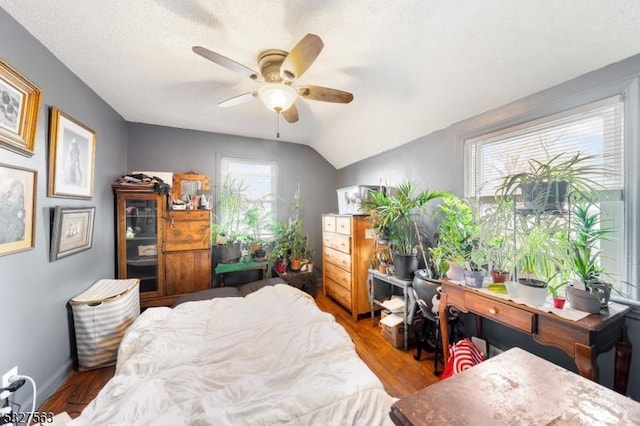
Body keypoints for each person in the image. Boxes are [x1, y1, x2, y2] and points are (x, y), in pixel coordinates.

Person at [0, 179, 25, 243]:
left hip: (14, 233)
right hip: (3, 231)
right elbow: (3, 211)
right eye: (17, 189)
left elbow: (21, 221)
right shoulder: (3, 198)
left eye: (20, 190)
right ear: (12, 188)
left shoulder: (21, 202)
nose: (19, 191)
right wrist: (15, 211)